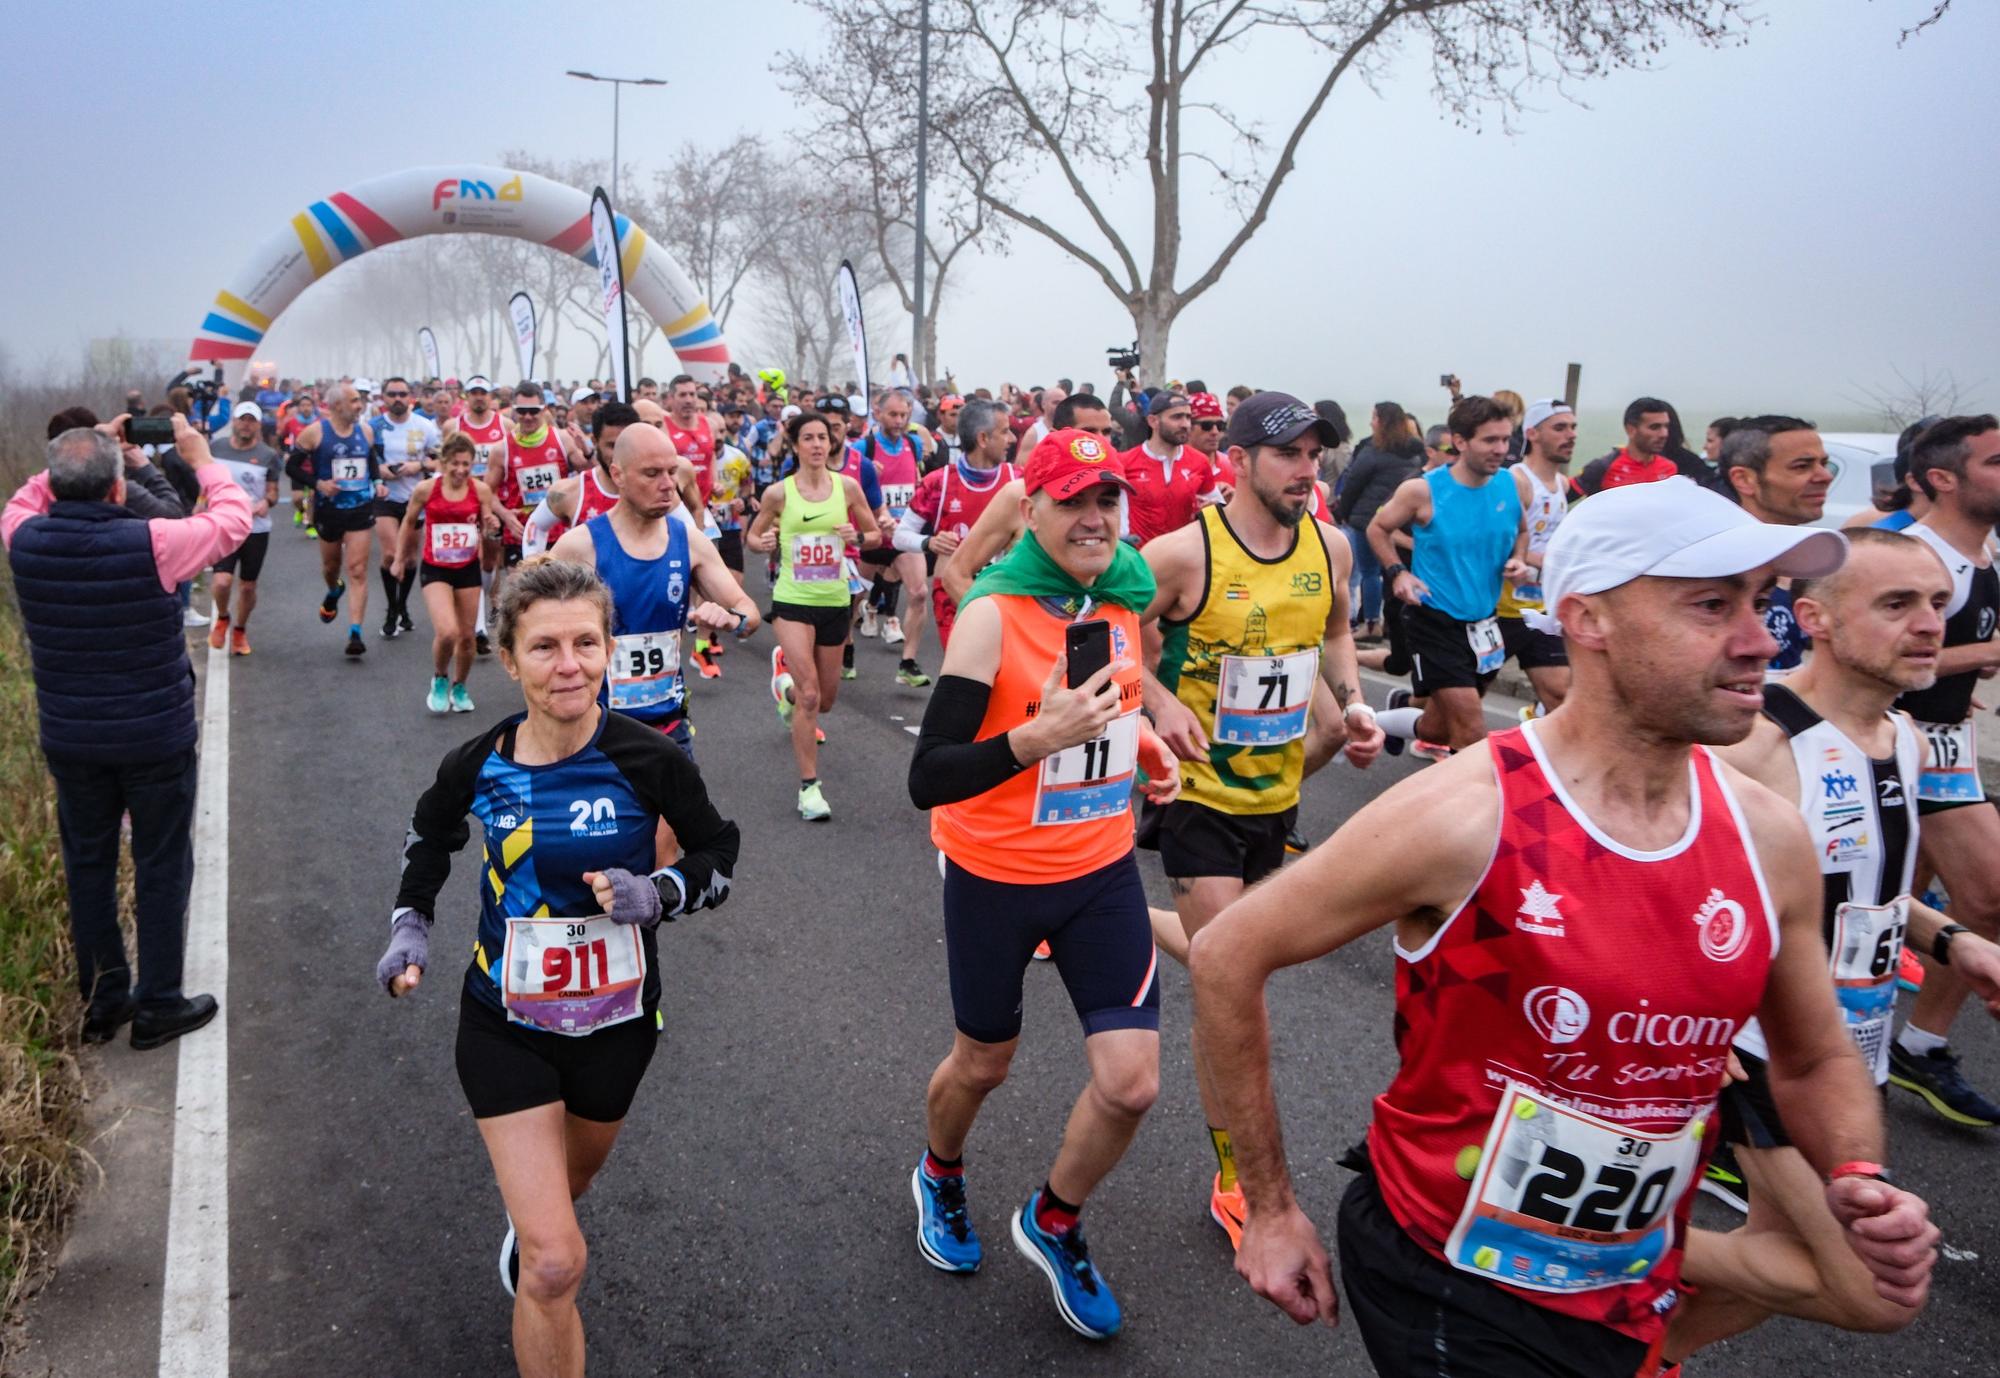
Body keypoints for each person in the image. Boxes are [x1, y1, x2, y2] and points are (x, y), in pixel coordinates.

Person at [1191, 478, 1942, 1378]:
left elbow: (1814, 1058)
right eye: (1712, 606)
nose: (1758, 641)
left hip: (1632, 1278)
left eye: (1762, 602)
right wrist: (1271, 1208)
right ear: (1588, 620)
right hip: (1452, 1278)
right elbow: (1230, 949)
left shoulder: (1768, 836)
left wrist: (1857, 1176)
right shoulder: (1468, 813)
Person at [379, 559, 739, 1378]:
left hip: (617, 1026)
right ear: (508, 660)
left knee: (561, 1204)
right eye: (544, 647)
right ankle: (541, 1251)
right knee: (554, 1264)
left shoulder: (649, 760)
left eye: (585, 642)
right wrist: (411, 924)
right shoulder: (479, 761)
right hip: (504, 1022)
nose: (568, 664)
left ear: (609, 650)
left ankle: (538, 1223)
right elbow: (427, 836)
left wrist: (663, 892)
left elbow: (720, 850)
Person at [1672, 528, 2000, 1362]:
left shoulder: (1908, 740)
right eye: (1896, 605)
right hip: (1770, 1051)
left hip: (1856, 1052)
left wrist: (1953, 938)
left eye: (1937, 604)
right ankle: (1573, 1243)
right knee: (1865, 1288)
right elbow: (1663, 887)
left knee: (1767, 1270)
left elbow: (1862, 886)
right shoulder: (1761, 740)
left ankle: (1641, 1356)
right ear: (1815, 618)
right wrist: (1688, 1017)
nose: (1930, 625)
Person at [905, 428, 1180, 1340]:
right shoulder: (992, 614)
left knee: (1131, 1083)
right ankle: (940, 1172)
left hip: (1100, 870)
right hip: (995, 876)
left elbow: (1112, 707)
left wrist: (1141, 749)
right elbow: (929, 775)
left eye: (1108, 501)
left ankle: (1054, 1217)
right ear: (1032, 513)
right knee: (985, 1062)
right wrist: (1035, 740)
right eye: (1073, 501)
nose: (1095, 518)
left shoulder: (1117, 602)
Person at [1139, 392, 1384, 1245]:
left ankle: (1126, 920)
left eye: (1316, 453)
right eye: (1288, 455)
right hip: (1199, 793)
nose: (1308, 468)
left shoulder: (1332, 545)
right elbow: (1111, 634)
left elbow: (1339, 631)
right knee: (1235, 987)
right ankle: (1237, 1175)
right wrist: (1159, 701)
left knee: (1225, 952)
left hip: (1276, 794)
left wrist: (1351, 706)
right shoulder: (1180, 554)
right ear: (1236, 461)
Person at [4, 417, 251, 1048]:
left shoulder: (22, 538)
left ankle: (104, 1000)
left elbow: (27, 498)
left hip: (72, 739)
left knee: (88, 865)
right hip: (154, 737)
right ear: (119, 489)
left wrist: (82, 445)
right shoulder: (156, 541)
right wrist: (199, 456)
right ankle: (159, 1003)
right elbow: (232, 519)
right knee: (161, 865)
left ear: (55, 488)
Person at [1886, 415, 2000, 1126]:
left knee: (1905, 895)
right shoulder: (1913, 556)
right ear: (1943, 478)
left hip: (1946, 739)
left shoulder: (1984, 552)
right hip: (1892, 741)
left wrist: (1961, 681)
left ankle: (1916, 1045)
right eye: (1996, 461)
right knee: (1988, 895)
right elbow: (1874, 651)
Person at [549, 425, 761, 757]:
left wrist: (733, 619)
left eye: (671, 472)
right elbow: (536, 635)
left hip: (668, 724)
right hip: (595, 729)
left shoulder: (690, 542)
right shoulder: (579, 546)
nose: (667, 485)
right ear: (618, 475)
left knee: (682, 811)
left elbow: (748, 611)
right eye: (651, 474)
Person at [1366, 396, 1532, 753]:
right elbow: (1377, 528)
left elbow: (1521, 530)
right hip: (1433, 619)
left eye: (1505, 439)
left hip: (1485, 624)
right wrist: (1398, 573)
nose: (1501, 449)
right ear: (1460, 442)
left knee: (1439, 727)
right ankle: (1476, 806)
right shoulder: (1423, 490)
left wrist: (1518, 559)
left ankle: (1373, 720)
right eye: (1490, 440)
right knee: (1470, 728)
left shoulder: (1510, 485)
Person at [744, 409, 884, 820]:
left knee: (824, 700)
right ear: (795, 444)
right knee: (810, 696)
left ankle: (782, 688)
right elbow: (753, 536)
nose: (818, 445)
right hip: (792, 600)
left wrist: (856, 536)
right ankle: (809, 789)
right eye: (809, 438)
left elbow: (875, 534)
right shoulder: (780, 494)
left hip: (835, 600)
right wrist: (761, 540)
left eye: (823, 437)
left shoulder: (848, 487)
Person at [395, 434, 521, 713]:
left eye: (466, 463)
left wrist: (490, 525)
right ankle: (440, 677)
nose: (461, 469)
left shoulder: (480, 490)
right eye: (455, 463)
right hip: (435, 567)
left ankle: (460, 685)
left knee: (466, 637)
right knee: (447, 631)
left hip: (467, 568)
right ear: (443, 462)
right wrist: (400, 558)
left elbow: (488, 528)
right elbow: (408, 522)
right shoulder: (427, 489)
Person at [894, 397, 1017, 651]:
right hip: (951, 593)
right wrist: (930, 542)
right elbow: (900, 536)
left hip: (1007, 588)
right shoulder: (939, 482)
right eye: (1005, 432)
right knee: (964, 671)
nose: (1012, 439)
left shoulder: (1018, 481)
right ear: (983, 439)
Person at [1720, 416, 1835, 672]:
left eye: (1824, 464)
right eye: (1802, 466)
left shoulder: (1817, 562)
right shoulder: (1717, 570)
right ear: (1744, 479)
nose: (1825, 476)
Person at [1494, 399, 1577, 715]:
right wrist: (1547, 560)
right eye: (1560, 427)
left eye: (1573, 427)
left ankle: (1535, 730)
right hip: (1500, 609)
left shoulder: (1561, 483)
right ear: (1533, 433)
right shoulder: (1517, 480)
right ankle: (1405, 708)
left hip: (1541, 607)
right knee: (1453, 699)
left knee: (1560, 694)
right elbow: (1499, 543)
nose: (1570, 435)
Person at [293, 382, 384, 657]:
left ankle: (355, 632)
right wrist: (318, 484)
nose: (360, 405)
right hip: (329, 511)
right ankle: (334, 590)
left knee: (357, 569)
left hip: (360, 510)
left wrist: (377, 481)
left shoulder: (365, 431)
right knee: (331, 566)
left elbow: (371, 461)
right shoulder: (315, 433)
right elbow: (291, 466)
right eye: (354, 401)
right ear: (336, 406)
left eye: (360, 400)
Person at [852, 389, 933, 684]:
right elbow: (846, 488)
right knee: (853, 597)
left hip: (902, 536)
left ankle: (907, 663)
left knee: (919, 592)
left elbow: (915, 481)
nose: (899, 421)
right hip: (872, 536)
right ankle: (846, 650)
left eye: (904, 415)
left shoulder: (913, 444)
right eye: (893, 414)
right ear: (878, 414)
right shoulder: (865, 447)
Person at [1332, 403, 1423, 644]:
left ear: (1381, 421)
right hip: (1401, 520)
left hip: (1367, 519)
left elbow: (1353, 483)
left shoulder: (1373, 451)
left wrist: (1345, 512)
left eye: (1374, 417)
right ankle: (1400, 623)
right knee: (1395, 571)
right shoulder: (1415, 452)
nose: (1371, 422)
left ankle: (1371, 623)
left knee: (1370, 573)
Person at [207, 401, 283, 656]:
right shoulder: (215, 448)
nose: (246, 425)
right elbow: (205, 481)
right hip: (223, 525)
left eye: (251, 420)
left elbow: (273, 491)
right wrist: (199, 505)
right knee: (221, 581)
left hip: (255, 528)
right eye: (242, 419)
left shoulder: (267, 455)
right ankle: (222, 617)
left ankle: (239, 630)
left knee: (248, 586)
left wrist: (266, 503)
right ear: (235, 422)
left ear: (258, 425)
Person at [371, 376, 444, 640]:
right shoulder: (374, 426)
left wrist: (419, 466)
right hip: (384, 497)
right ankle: (392, 610)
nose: (398, 399)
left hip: (416, 499)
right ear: (384, 397)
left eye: (402, 394)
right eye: (392, 394)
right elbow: (366, 459)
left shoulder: (425, 427)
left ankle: (402, 606)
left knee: (411, 559)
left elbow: (439, 461)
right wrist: (378, 470)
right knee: (392, 555)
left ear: (410, 397)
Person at [1120, 391, 1214, 546]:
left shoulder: (1200, 462)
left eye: (1188, 417)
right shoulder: (1125, 462)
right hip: (1140, 561)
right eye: (1177, 417)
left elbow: (1215, 506)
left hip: (1182, 560)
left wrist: (1218, 505)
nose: (1185, 424)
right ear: (1153, 421)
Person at [1578, 397, 1678, 492]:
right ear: (1631, 430)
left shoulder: (1670, 468)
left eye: (1666, 426)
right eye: (1654, 427)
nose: (1664, 434)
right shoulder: (1603, 467)